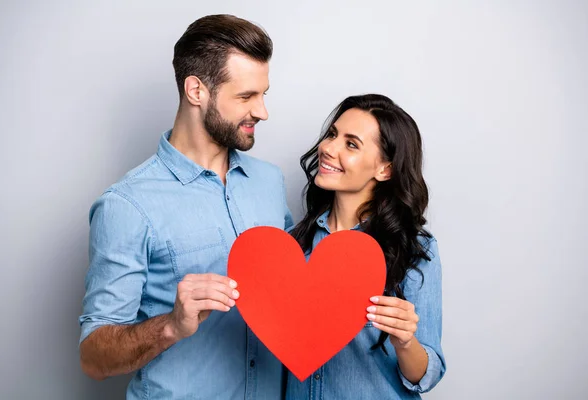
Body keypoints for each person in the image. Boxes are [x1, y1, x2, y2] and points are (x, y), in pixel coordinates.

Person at [79, 14, 293, 399]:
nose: (263, 112)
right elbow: (94, 358)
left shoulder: (270, 183)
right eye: (246, 97)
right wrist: (172, 325)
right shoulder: (127, 205)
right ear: (197, 91)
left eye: (263, 94)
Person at [287, 94, 446, 399]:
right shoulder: (295, 246)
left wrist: (405, 342)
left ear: (385, 169)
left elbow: (428, 373)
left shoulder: (414, 250)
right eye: (332, 134)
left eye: (351, 144)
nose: (328, 148)